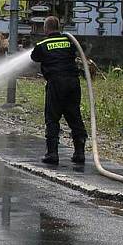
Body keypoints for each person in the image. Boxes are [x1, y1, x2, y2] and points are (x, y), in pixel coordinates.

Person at [30, 16, 87, 165]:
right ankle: (80, 153)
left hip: (56, 83)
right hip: (73, 83)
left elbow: (34, 57)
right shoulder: (70, 41)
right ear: (59, 27)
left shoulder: (42, 44)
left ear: (45, 28)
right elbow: (78, 51)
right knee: (75, 116)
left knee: (52, 117)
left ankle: (52, 154)